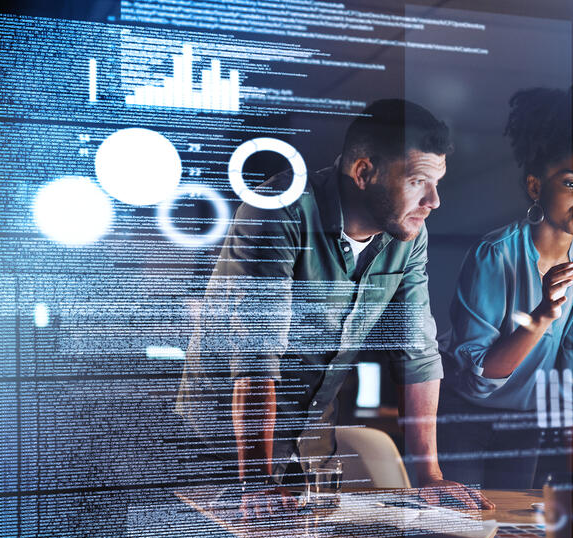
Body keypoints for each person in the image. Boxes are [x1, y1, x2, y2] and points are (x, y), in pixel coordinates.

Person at [176, 99, 492, 516]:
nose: (434, 200)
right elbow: (257, 357)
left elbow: (416, 352)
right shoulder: (280, 209)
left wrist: (429, 474)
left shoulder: (410, 235)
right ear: (363, 173)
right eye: (418, 181)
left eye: (438, 182)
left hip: (313, 452)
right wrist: (255, 481)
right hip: (228, 450)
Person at [437, 82, 573, 500]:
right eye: (571, 183)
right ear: (534, 188)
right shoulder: (494, 254)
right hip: (464, 419)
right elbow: (480, 376)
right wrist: (543, 314)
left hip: (526, 421)